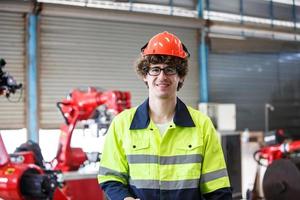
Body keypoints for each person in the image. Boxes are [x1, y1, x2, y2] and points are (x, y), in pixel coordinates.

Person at [98, 31, 232, 200]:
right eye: (155, 69)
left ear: (180, 76)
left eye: (169, 70)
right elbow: (110, 177)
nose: (162, 76)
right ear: (145, 76)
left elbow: (218, 188)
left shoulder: (202, 125)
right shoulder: (122, 124)